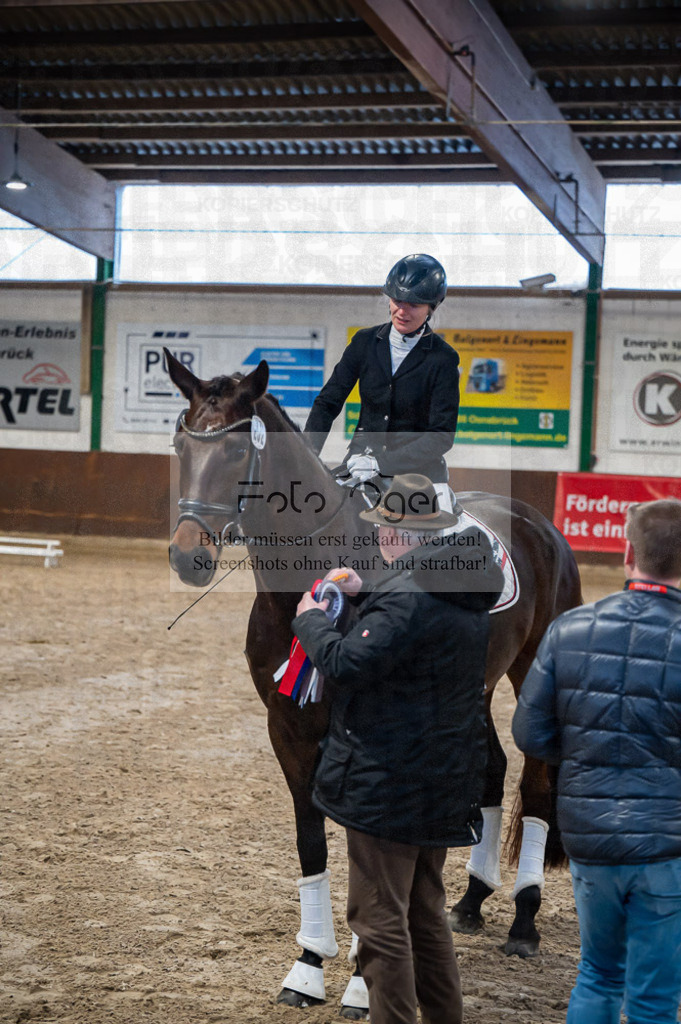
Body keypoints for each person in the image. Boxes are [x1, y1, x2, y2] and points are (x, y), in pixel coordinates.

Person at [292, 473, 504, 1024]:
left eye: (386, 530)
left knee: (378, 918)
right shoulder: (458, 585)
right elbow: (407, 629)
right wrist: (371, 595)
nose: (380, 539)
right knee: (425, 913)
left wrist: (311, 620)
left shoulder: (407, 599)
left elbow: (345, 663)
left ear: (405, 536)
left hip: (388, 783)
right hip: (443, 778)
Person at [511, 498, 681, 1024]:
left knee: (598, 974)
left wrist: (587, 752)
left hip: (590, 836)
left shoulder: (569, 630)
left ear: (627, 553)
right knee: (653, 998)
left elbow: (528, 732)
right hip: (665, 842)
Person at [304, 253, 459, 508]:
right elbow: (328, 402)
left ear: (431, 307)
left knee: (438, 537)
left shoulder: (443, 358)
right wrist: (308, 456)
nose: (401, 310)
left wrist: (381, 464)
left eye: (414, 304)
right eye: (397, 300)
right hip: (359, 462)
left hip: (418, 474)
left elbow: (441, 436)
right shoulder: (364, 342)